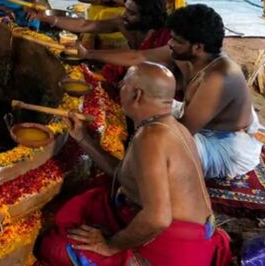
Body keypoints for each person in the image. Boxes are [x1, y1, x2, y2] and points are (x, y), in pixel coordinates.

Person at [35, 62, 231, 266]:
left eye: (124, 84)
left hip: (173, 252)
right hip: (189, 236)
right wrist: (83, 138)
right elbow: (123, 174)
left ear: (137, 95)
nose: (119, 86)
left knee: (55, 247)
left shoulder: (150, 138)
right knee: (95, 198)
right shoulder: (171, 126)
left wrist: (110, 245)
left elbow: (158, 218)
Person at [77, 4, 265, 179]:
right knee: (143, 94)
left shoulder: (219, 78)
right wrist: (89, 54)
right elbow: (139, 56)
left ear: (198, 47)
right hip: (197, 117)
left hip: (227, 143)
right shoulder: (190, 53)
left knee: (156, 153)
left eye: (176, 40)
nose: (169, 43)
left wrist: (143, 130)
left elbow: (182, 132)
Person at [32, 0, 170, 90]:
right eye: (125, 9)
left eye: (131, 13)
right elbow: (87, 25)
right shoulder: (124, 23)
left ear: (147, 17)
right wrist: (50, 19)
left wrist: (88, 54)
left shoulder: (167, 37)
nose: (124, 15)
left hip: (161, 87)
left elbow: (137, 57)